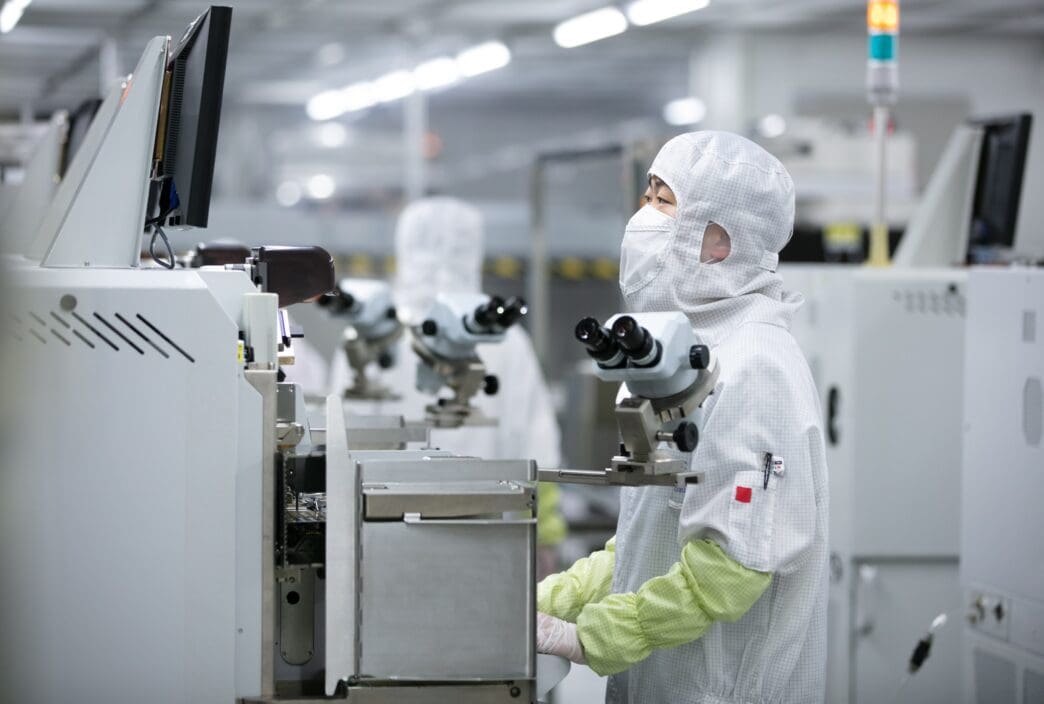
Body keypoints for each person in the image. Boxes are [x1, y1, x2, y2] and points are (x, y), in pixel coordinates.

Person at [535, 131, 828, 703]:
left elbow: (732, 570)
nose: (643, 218)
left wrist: (598, 634)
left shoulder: (755, 364)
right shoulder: (686, 349)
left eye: (663, 202)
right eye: (647, 197)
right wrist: (548, 602)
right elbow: (645, 544)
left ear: (718, 240)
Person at [328, 197, 567, 559]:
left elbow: (337, 437)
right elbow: (539, 445)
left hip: (381, 537)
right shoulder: (505, 340)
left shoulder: (373, 331)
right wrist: (545, 537)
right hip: (486, 537)